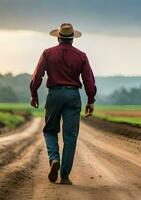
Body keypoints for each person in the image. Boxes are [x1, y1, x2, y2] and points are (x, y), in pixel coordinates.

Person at [30, 23, 96, 185]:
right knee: (70, 137)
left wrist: (34, 94)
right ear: (72, 39)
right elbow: (88, 80)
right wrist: (91, 100)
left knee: (50, 130)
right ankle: (65, 176)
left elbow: (37, 76)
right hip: (73, 96)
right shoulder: (81, 56)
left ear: (58, 37)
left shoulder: (48, 53)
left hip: (54, 95)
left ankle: (54, 159)